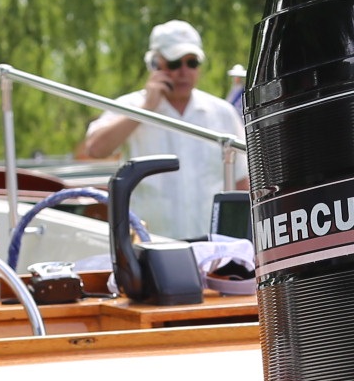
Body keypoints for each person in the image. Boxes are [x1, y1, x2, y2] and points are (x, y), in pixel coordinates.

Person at [78, 19, 246, 240]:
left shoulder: (222, 112)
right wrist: (146, 109)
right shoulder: (130, 106)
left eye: (192, 63)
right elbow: (95, 148)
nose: (184, 72)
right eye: (175, 63)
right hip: (149, 246)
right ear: (154, 65)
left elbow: (242, 181)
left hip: (213, 246)